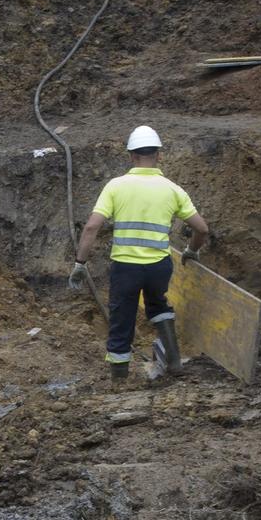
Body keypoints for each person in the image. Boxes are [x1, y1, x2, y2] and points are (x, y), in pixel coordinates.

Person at [70, 125, 211, 381]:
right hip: (159, 265)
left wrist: (80, 263)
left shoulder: (116, 186)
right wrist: (191, 250)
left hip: (126, 268)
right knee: (159, 306)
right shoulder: (173, 189)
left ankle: (119, 381)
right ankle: (175, 361)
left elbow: (92, 227)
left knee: (121, 319)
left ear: (132, 156)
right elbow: (201, 228)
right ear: (158, 155)